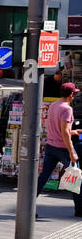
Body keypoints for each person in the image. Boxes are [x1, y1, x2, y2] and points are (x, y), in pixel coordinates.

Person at [37, 82, 82, 217]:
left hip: (51, 146)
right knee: (76, 177)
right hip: (63, 148)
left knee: (43, 177)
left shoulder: (54, 105)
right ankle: (79, 210)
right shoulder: (67, 109)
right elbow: (64, 132)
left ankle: (27, 207)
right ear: (71, 94)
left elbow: (60, 128)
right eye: (74, 93)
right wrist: (71, 151)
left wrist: (73, 131)